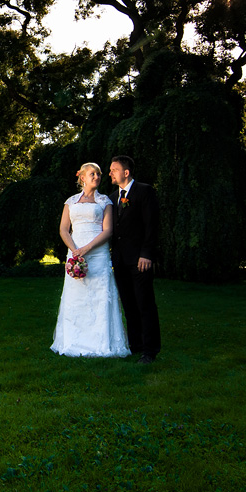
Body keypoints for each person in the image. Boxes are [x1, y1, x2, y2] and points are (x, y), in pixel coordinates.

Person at [50, 162, 130, 357]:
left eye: (99, 174)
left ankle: (101, 343)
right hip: (75, 253)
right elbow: (63, 229)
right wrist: (75, 250)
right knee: (76, 297)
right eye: (93, 174)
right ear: (82, 177)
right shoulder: (70, 202)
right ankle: (73, 341)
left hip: (97, 254)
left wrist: (86, 248)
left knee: (99, 296)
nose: (97, 177)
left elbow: (108, 230)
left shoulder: (105, 202)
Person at [108, 155, 161, 364]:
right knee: (129, 305)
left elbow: (152, 225)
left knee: (145, 304)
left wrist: (147, 253)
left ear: (126, 172)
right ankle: (136, 345)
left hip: (140, 260)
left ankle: (150, 350)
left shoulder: (144, 191)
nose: (110, 173)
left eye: (114, 169)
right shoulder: (112, 198)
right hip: (120, 261)